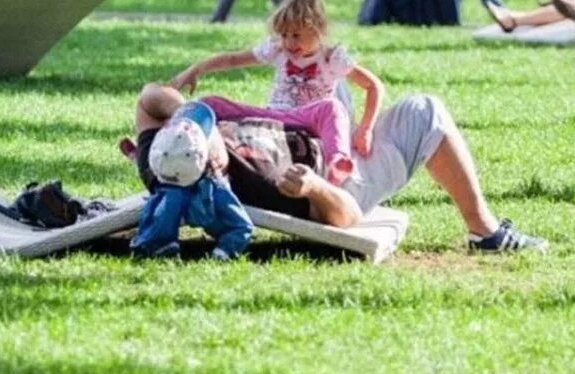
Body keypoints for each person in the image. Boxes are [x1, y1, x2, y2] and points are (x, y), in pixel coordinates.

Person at [132, 84, 548, 253]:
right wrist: (314, 187)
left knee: (337, 85)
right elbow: (345, 215)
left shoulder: (164, 151)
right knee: (426, 110)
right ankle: (486, 232)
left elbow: (150, 97)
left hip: (320, 134)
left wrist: (196, 119)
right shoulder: (227, 189)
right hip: (344, 180)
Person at [170, 0, 382, 185]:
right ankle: (175, 139)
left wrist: (365, 129)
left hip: (307, 120)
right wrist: (195, 70)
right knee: (210, 102)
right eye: (284, 35)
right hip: (273, 115)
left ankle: (338, 162)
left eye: (296, 35)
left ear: (317, 29)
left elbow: (373, 86)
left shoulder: (331, 57)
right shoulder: (277, 49)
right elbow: (233, 59)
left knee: (333, 108)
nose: (289, 42)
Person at [131, 100, 254, 260]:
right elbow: (241, 226)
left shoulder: (166, 195)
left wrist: (155, 243)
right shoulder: (216, 190)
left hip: (175, 183)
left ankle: (161, 245)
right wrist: (225, 250)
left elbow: (151, 222)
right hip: (207, 190)